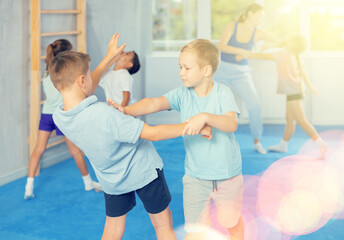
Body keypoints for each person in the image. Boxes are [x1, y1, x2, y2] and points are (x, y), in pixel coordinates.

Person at [49, 43, 212, 239]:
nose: (94, 77)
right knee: (163, 223)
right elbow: (153, 133)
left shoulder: (59, 116)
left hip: (111, 178)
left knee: (113, 226)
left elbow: (84, 87)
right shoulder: (105, 115)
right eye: (90, 75)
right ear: (82, 81)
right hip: (142, 170)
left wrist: (109, 57)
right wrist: (191, 126)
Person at [108, 39, 244, 240]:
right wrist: (126, 110)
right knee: (195, 230)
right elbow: (154, 103)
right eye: (180, 67)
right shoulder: (182, 94)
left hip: (228, 177)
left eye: (187, 68)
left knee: (231, 222)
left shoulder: (223, 93)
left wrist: (205, 117)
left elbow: (231, 123)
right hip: (195, 177)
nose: (181, 72)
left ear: (206, 70)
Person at [24, 39, 102, 200]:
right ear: (66, 56)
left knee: (38, 149)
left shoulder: (47, 74)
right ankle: (88, 182)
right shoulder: (65, 76)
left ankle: (28, 187)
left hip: (47, 114)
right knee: (75, 151)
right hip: (62, 115)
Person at [238, 33, 328, 158]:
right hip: (295, 91)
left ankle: (321, 144)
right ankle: (283, 144)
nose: (287, 40)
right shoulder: (295, 55)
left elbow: (263, 56)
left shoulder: (283, 54)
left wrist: (247, 54)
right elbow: (303, 73)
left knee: (301, 120)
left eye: (290, 40)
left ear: (292, 44)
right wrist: (310, 86)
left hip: (294, 92)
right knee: (289, 119)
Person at [214, 3, 282, 154]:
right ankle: (213, 141)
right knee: (217, 107)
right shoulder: (232, 26)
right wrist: (243, 51)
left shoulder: (258, 33)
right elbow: (222, 46)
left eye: (263, 17)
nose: (261, 19)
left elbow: (281, 42)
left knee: (255, 106)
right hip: (223, 70)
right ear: (250, 13)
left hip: (242, 73)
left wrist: (266, 48)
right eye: (260, 16)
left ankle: (257, 141)